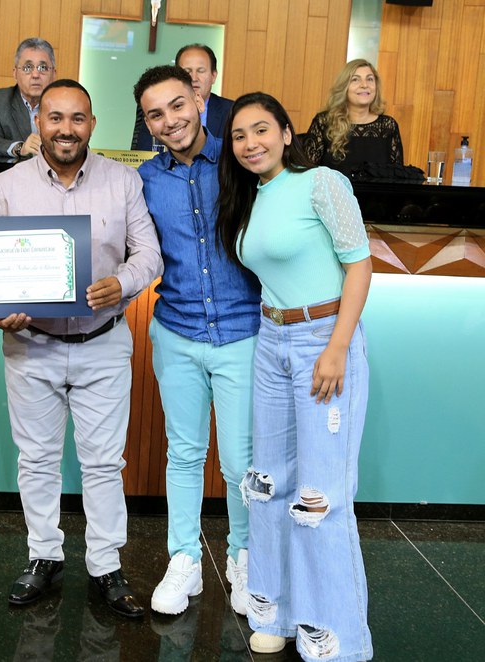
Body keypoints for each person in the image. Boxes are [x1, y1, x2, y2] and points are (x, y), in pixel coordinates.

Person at [0, 79, 162, 617]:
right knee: (37, 459)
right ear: (38, 122)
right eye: (56, 117)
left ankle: (105, 563)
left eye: (78, 118)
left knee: (104, 463)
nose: (66, 129)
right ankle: (44, 555)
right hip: (30, 344)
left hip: (102, 342)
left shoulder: (123, 181)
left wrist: (123, 282)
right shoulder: (5, 187)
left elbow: (148, 253)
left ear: (92, 124)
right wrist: (1, 309)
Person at [217, 91, 373, 661]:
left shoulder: (322, 183)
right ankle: (275, 613)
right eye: (239, 135)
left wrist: (336, 347)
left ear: (287, 133)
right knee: (268, 484)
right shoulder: (247, 197)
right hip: (271, 340)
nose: (250, 143)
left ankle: (337, 637)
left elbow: (360, 264)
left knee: (319, 496)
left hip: (322, 338)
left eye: (262, 129)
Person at [134, 65, 260, 616]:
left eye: (177, 105)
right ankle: (184, 559)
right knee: (184, 453)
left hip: (242, 332)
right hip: (177, 332)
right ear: (146, 123)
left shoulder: (241, 163)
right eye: (155, 114)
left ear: (199, 100)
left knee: (240, 461)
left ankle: (243, 557)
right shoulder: (144, 179)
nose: (170, 120)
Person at [305, 59, 403, 176]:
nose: (364, 85)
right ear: (344, 86)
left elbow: (398, 178)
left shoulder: (388, 126)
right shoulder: (325, 122)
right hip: (332, 189)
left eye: (369, 79)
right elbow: (307, 173)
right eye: (355, 79)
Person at [131, 44, 233, 151]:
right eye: (187, 71)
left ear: (213, 76)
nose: (194, 78)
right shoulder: (153, 109)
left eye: (201, 71)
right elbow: (144, 152)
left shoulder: (233, 111)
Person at [0, 37, 57, 158]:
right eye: (27, 68)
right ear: (15, 73)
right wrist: (20, 148)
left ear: (53, 74)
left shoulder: (64, 104)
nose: (35, 75)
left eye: (43, 68)